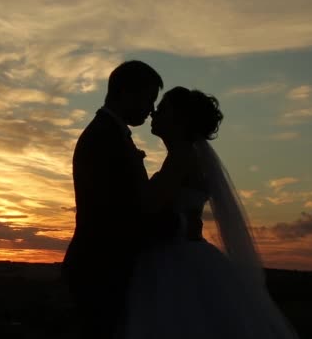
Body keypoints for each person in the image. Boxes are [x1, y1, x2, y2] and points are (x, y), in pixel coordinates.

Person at [123, 86, 299, 339]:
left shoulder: (182, 157)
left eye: (162, 109)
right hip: (187, 253)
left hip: (175, 259)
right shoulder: (185, 156)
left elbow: (149, 205)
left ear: (179, 119)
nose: (153, 113)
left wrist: (133, 167)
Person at [62, 61, 193, 339]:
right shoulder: (104, 137)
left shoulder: (110, 134)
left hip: (104, 268)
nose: (151, 109)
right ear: (126, 93)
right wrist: (179, 226)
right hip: (100, 270)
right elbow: (121, 214)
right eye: (148, 99)